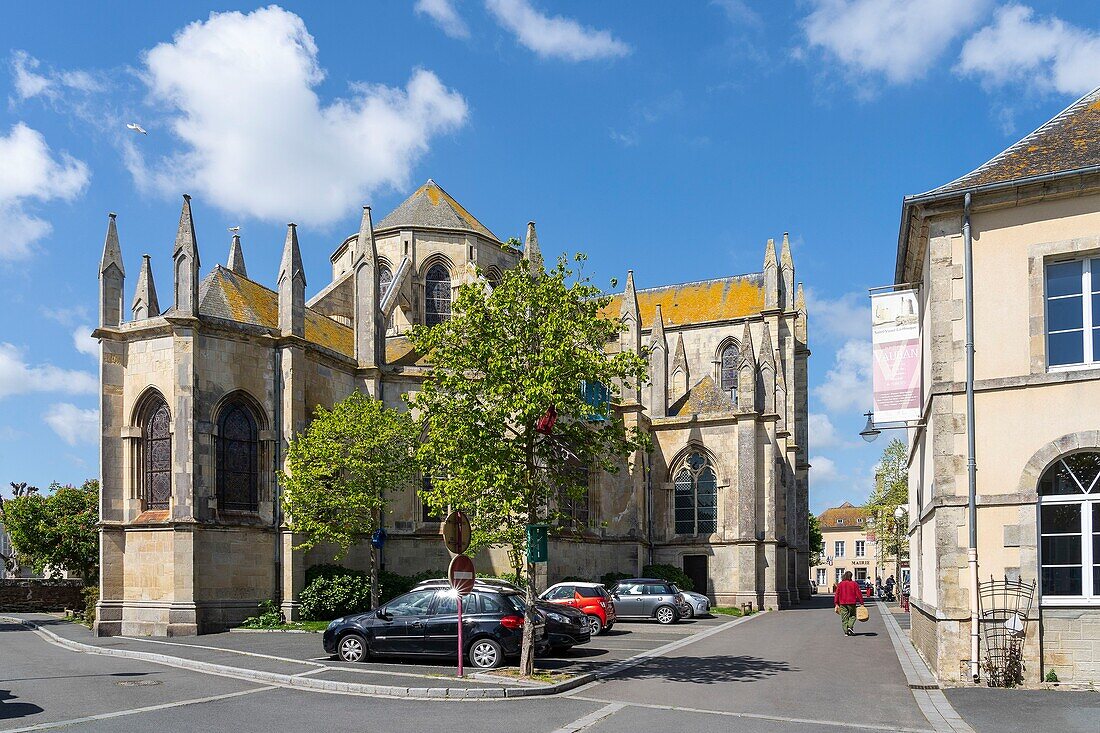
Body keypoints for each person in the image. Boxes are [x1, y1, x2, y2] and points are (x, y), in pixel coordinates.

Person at [834, 570, 865, 636]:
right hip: (852, 602)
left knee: (844, 617)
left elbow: (837, 594)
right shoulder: (854, 584)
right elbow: (859, 594)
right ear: (851, 576)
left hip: (842, 603)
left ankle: (846, 632)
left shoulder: (840, 584)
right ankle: (849, 627)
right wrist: (861, 602)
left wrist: (836, 603)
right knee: (853, 615)